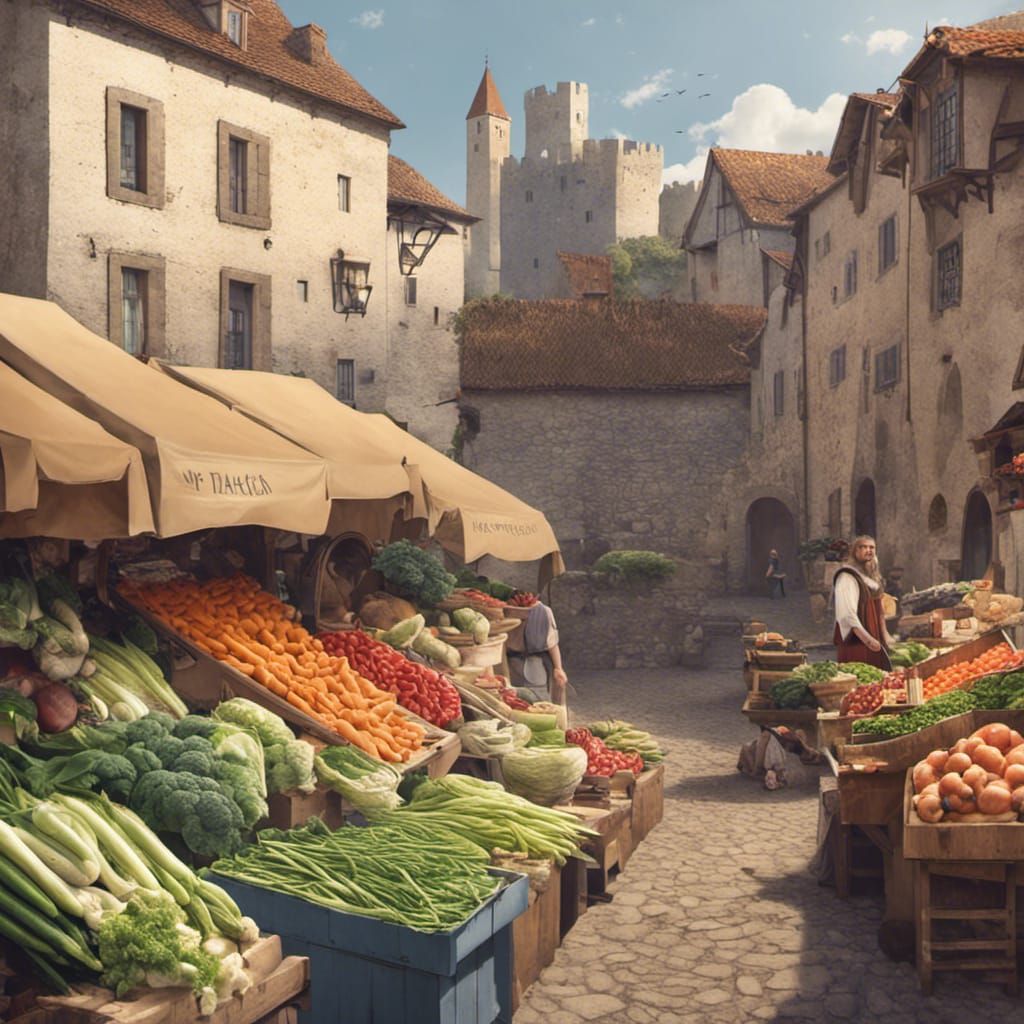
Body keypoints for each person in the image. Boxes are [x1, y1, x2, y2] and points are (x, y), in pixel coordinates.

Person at [832, 535, 894, 669]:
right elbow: (847, 614)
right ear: (855, 551)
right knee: (859, 672)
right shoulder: (847, 576)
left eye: (872, 547)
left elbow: (879, 610)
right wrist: (867, 639)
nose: (868, 550)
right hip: (857, 638)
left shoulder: (872, 576)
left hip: (874, 631)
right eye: (863, 547)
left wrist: (885, 635)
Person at [506, 599, 568, 705]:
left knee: (540, 702)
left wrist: (558, 668)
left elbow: (552, 642)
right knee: (513, 700)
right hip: (512, 666)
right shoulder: (505, 611)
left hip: (534, 666)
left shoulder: (544, 611)